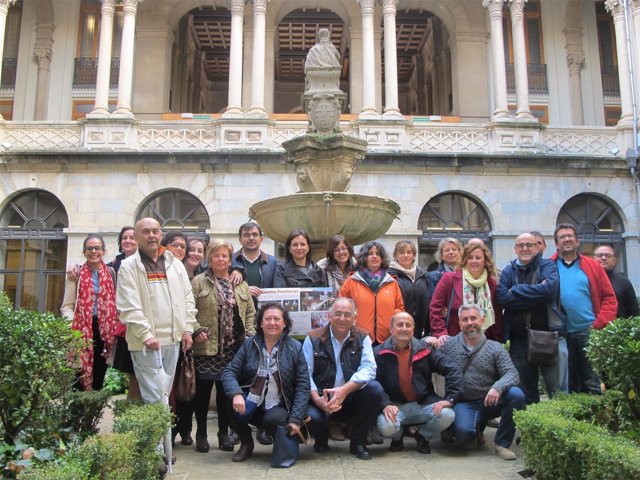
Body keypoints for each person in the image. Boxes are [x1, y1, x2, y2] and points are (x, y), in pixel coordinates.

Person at [179, 240, 256, 454]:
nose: (221, 259)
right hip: (206, 347)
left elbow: (250, 311)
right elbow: (188, 310)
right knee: (202, 395)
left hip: (233, 349)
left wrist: (250, 334)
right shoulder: (198, 282)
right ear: (209, 259)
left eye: (224, 256)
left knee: (225, 394)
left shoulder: (239, 283)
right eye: (216, 256)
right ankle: (201, 434)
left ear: (230, 259)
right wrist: (195, 330)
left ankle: (224, 434)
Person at [428, 304, 525, 461]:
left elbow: (512, 373)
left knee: (516, 394)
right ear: (459, 323)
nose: (469, 323)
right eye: (465, 319)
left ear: (482, 320)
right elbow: (421, 350)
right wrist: (429, 340)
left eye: (473, 318)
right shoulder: (448, 345)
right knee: (464, 436)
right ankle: (474, 430)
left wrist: (498, 387)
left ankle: (502, 444)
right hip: (464, 402)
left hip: (489, 400)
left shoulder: (495, 348)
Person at [116, 217, 196, 404]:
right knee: (155, 398)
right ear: (136, 237)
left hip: (174, 340)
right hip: (147, 343)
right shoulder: (128, 267)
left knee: (164, 396)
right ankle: (159, 434)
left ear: (161, 234)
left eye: (155, 231)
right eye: (146, 232)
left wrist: (187, 329)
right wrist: (146, 335)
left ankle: (160, 434)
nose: (152, 235)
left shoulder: (175, 264)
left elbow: (187, 299)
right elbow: (128, 305)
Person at [222, 303, 310, 463]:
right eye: (267, 318)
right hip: (252, 402)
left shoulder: (295, 348)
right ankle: (246, 443)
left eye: (277, 319)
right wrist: (236, 394)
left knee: (273, 420)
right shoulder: (249, 344)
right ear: (260, 323)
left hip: (279, 405)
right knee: (229, 399)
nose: (272, 323)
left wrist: (296, 419)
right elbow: (229, 372)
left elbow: (303, 386)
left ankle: (278, 440)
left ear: (285, 323)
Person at [303, 297, 384, 460]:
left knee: (375, 390)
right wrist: (317, 399)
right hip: (321, 397)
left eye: (347, 315)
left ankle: (358, 442)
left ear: (355, 317)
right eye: (337, 314)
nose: (342, 319)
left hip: (351, 396)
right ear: (329, 316)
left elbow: (369, 369)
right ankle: (321, 438)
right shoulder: (313, 338)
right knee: (311, 414)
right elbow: (305, 373)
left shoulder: (363, 337)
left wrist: (344, 390)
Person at [375, 312, 462, 454]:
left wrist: (450, 399)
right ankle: (398, 437)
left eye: (408, 325)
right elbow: (373, 382)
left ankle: (423, 436)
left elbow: (453, 370)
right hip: (395, 406)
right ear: (391, 329)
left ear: (413, 329)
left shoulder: (425, 349)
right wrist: (385, 404)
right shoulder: (379, 353)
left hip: (423, 404)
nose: (404, 328)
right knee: (386, 426)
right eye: (399, 325)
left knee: (447, 414)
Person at [496, 233, 567, 404]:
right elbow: (503, 298)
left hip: (548, 337)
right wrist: (536, 294)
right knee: (525, 391)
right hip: (519, 340)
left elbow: (549, 291)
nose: (525, 248)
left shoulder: (548, 266)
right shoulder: (508, 270)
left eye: (529, 244)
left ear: (537, 247)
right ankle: (531, 428)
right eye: (520, 245)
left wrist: (517, 290)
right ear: (515, 249)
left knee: (556, 389)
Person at [550, 223, 617, 393]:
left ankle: (595, 417)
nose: (566, 239)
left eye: (569, 236)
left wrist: (598, 324)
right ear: (556, 244)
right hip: (560, 334)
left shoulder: (593, 266)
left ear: (577, 241)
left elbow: (609, 299)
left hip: (587, 332)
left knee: (592, 382)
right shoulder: (548, 266)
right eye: (562, 237)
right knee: (566, 384)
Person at [61, 233, 119, 391]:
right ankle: (77, 412)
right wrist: (72, 328)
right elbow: (67, 306)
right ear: (84, 252)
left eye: (97, 248)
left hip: (103, 331)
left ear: (103, 251)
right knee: (77, 375)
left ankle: (92, 413)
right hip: (81, 331)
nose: (94, 251)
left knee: (100, 374)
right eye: (90, 248)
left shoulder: (111, 273)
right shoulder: (76, 274)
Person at [429, 242, 502, 346]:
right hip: (453, 342)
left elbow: (497, 314)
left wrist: (496, 341)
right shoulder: (449, 279)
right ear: (465, 260)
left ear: (485, 260)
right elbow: (435, 308)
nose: (474, 261)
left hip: (484, 344)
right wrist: (441, 334)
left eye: (478, 257)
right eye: (470, 257)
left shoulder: (491, 283)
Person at [339, 241, 405, 345]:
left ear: (382, 258)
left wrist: (392, 323)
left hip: (386, 339)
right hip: (358, 338)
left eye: (378, 254)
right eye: (370, 254)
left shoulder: (392, 282)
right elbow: (341, 306)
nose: (374, 256)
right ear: (364, 258)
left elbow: (399, 308)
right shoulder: (352, 281)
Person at [108, 226, 142, 400]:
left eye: (132, 238)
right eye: (125, 238)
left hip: (142, 325)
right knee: (132, 375)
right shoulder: (113, 266)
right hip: (124, 327)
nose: (128, 241)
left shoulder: (145, 263)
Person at [388, 240, 432, 338]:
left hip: (420, 330)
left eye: (409, 252)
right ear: (395, 256)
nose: (406, 255)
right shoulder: (389, 276)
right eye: (402, 252)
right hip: (400, 329)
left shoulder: (423, 275)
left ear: (414, 255)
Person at [230, 221, 278, 302]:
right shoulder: (230, 260)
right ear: (240, 240)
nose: (251, 238)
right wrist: (243, 292)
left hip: (264, 311)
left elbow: (278, 288)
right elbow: (222, 289)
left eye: (255, 235)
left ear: (261, 239)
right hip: (238, 312)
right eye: (246, 235)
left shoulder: (273, 262)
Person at [594, 244, 639, 319]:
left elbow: (634, 313)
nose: (603, 258)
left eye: (608, 255)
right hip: (590, 328)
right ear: (593, 259)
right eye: (599, 255)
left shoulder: (624, 282)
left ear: (614, 261)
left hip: (618, 329)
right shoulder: (585, 280)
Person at [317, 234, 356, 300]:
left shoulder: (356, 266)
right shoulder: (323, 269)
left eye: (344, 248)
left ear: (349, 249)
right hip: (332, 308)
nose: (341, 252)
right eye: (336, 250)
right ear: (332, 253)